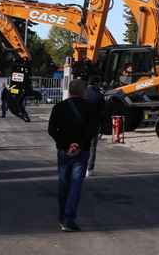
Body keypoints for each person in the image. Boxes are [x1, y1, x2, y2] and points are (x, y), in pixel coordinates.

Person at [47, 79, 98, 232]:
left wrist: (65, 145)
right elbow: (93, 129)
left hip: (63, 152)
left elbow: (51, 129)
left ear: (69, 91)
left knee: (64, 184)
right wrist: (78, 145)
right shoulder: (90, 107)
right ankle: (69, 220)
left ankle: (62, 216)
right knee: (75, 185)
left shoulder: (59, 107)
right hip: (81, 152)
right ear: (83, 91)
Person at [83, 76, 106, 177]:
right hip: (94, 123)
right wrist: (101, 125)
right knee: (92, 147)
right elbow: (103, 112)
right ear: (96, 83)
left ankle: (80, 167)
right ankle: (89, 169)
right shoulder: (99, 95)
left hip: (83, 123)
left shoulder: (83, 93)